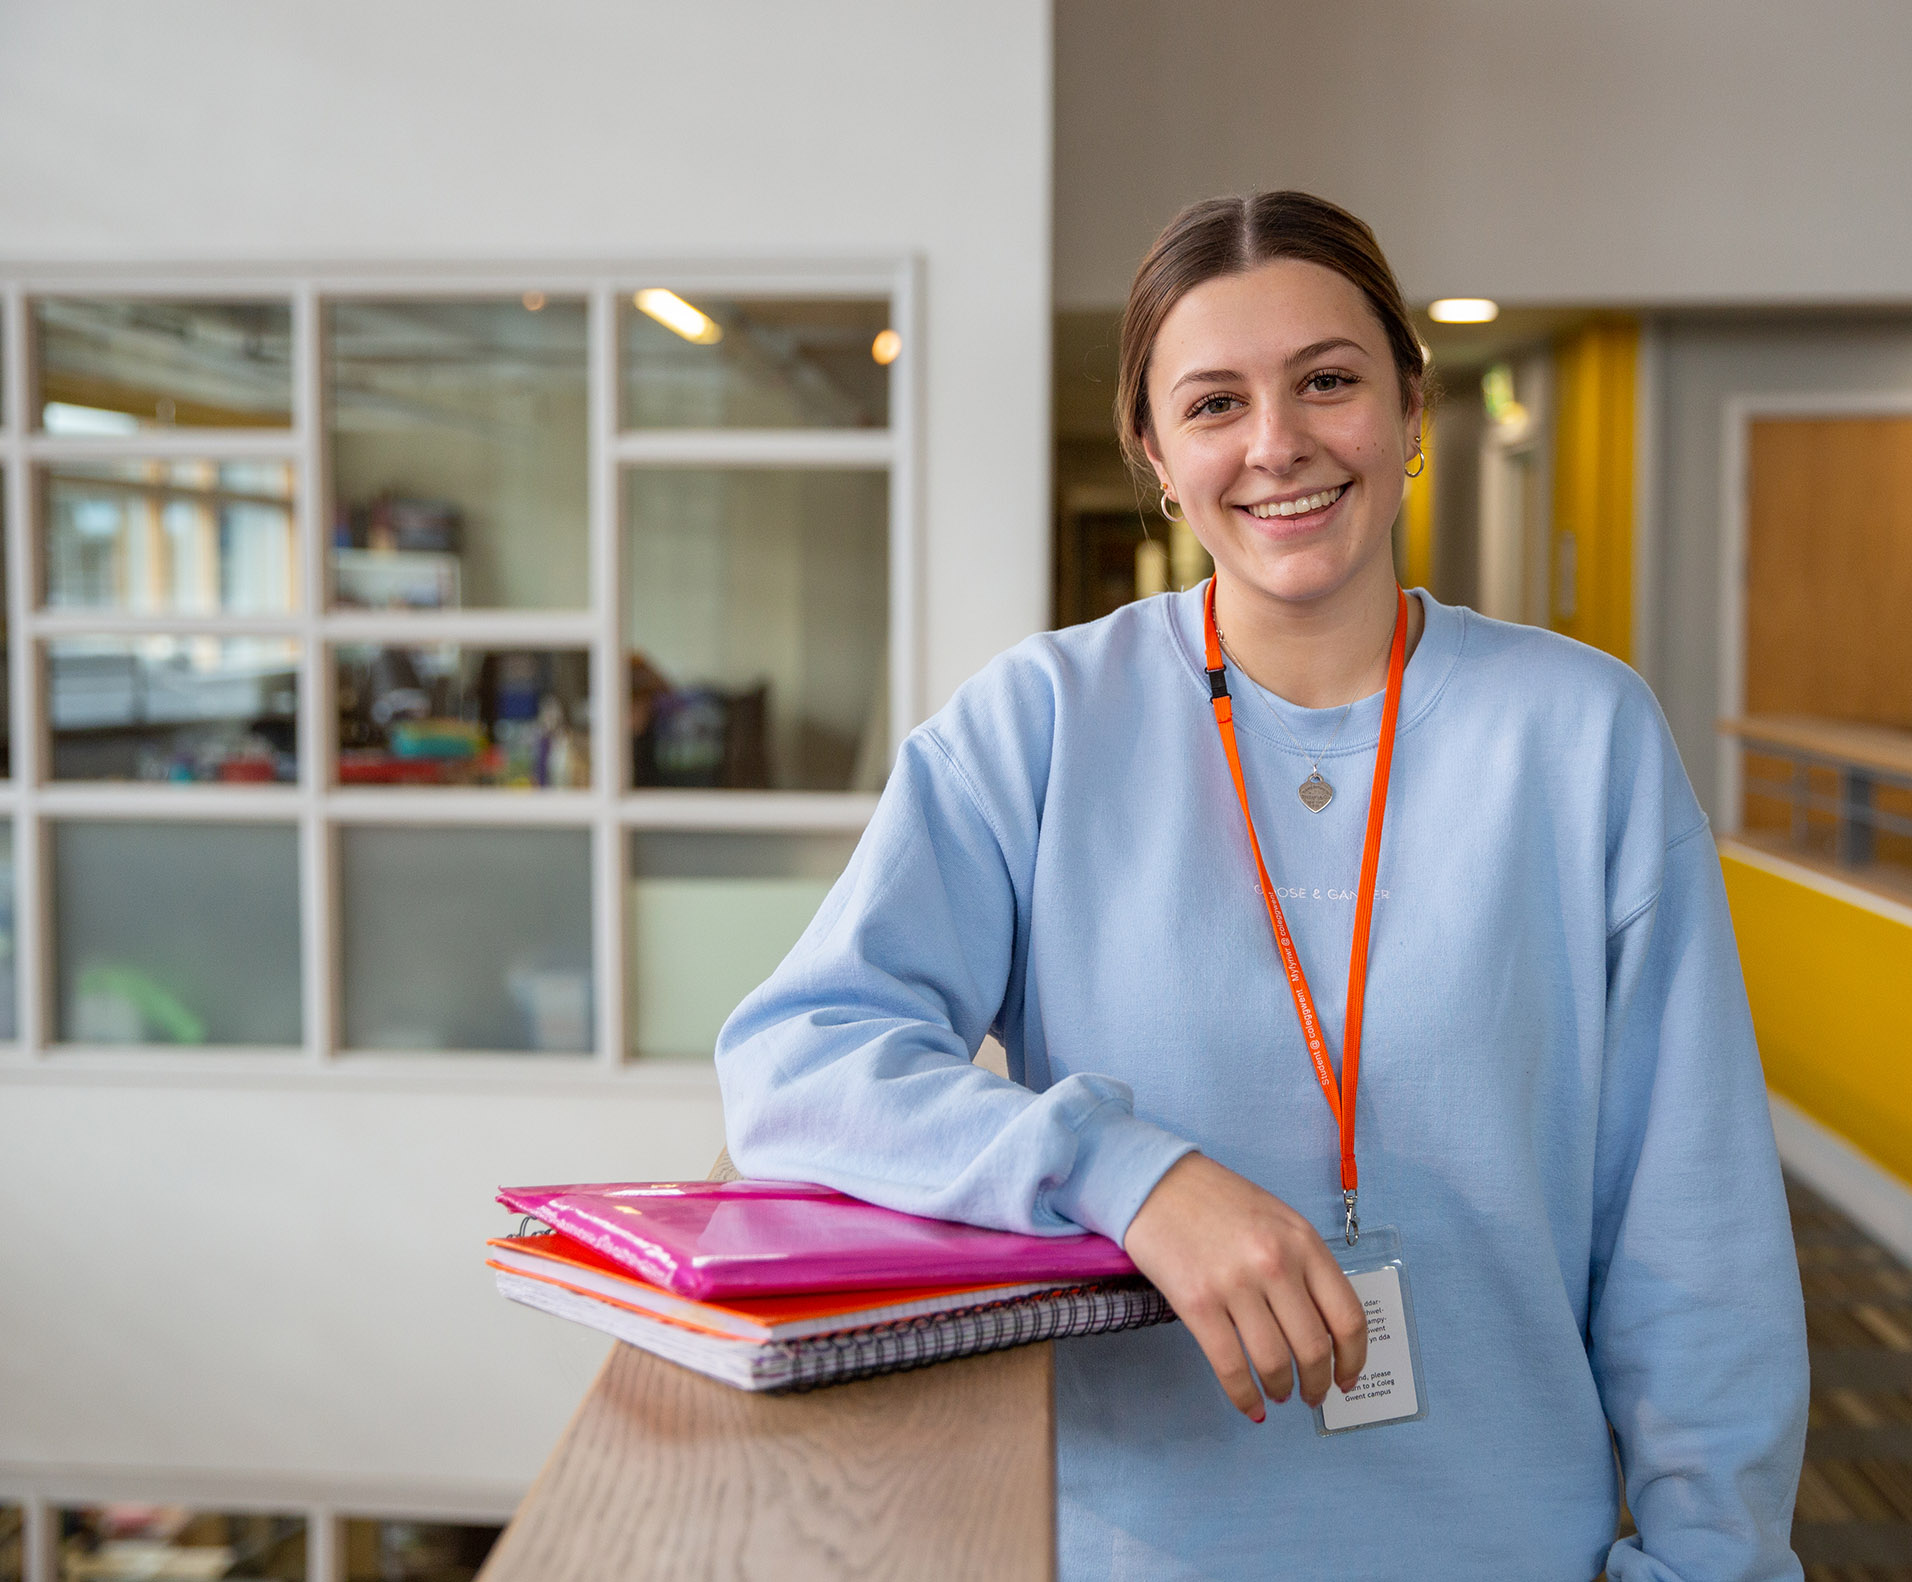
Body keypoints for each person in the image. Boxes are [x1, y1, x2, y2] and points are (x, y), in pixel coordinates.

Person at [716, 191, 1808, 1579]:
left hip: (1513, 1545)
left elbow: (1697, 1232)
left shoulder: (1584, 735)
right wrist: (1126, 1171)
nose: (1277, 444)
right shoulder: (1040, 724)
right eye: (1215, 402)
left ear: (1413, 411)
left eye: (1328, 382)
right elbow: (796, 1060)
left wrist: (1710, 1564)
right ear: (1158, 459)